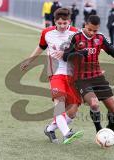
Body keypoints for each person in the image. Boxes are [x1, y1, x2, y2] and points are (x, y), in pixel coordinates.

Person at [63, 15, 114, 145]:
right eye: (90, 29)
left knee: (113, 108)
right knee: (94, 104)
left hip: (97, 77)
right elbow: (65, 56)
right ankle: (99, 131)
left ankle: (111, 130)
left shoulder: (100, 38)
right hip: (81, 78)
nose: (92, 33)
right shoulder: (75, 37)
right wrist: (79, 54)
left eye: (95, 30)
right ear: (85, 24)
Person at [20, 8, 83, 144]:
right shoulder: (47, 33)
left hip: (72, 75)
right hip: (55, 73)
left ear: (69, 21)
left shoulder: (76, 33)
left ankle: (50, 128)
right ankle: (67, 133)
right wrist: (29, 60)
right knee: (59, 103)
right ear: (55, 21)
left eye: (64, 23)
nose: (62, 26)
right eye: (59, 23)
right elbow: (40, 47)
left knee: (72, 112)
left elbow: (81, 53)